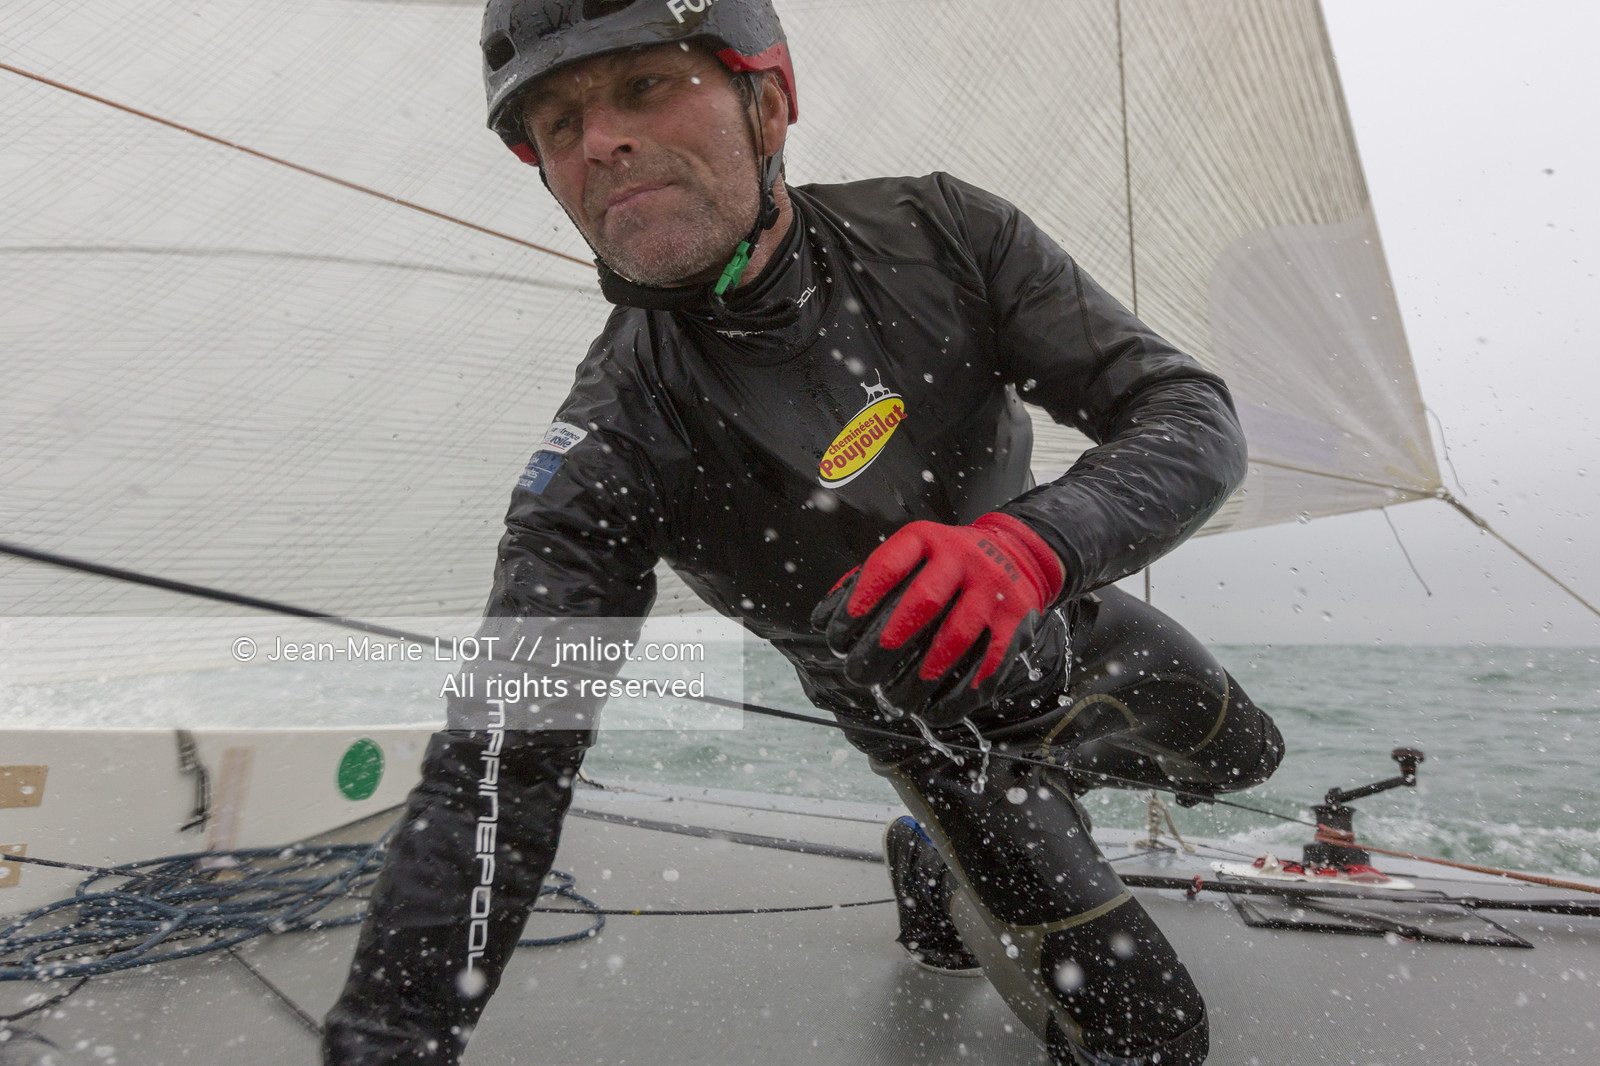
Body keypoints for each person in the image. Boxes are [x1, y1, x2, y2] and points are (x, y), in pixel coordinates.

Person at [323, 1, 1284, 1063]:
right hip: (934, 736)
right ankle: (952, 847)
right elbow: (500, 768)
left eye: (645, 85)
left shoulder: (941, 234)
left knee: (1247, 759)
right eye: (558, 123)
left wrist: (1024, 549)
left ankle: (988, 828)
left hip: (1061, 626)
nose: (600, 141)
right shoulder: (613, 441)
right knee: (1155, 1040)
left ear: (769, 103)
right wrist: (386, 1042)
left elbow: (1188, 414)